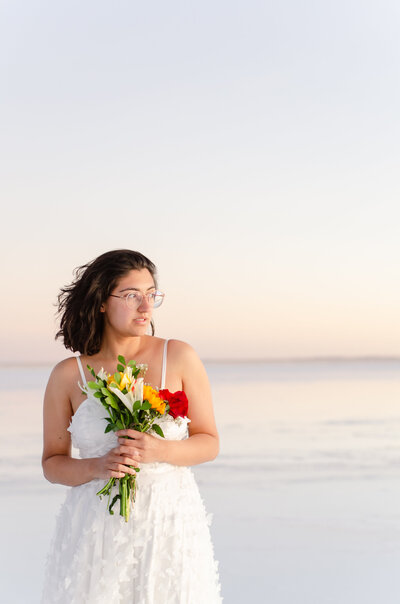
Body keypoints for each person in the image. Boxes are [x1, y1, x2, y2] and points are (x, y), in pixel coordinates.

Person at [41, 249, 222, 603]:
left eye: (151, 295)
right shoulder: (67, 375)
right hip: (97, 528)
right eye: (131, 295)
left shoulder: (179, 355)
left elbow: (209, 441)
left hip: (169, 522)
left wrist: (161, 450)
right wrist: (96, 466)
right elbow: (52, 464)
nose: (146, 307)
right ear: (101, 302)